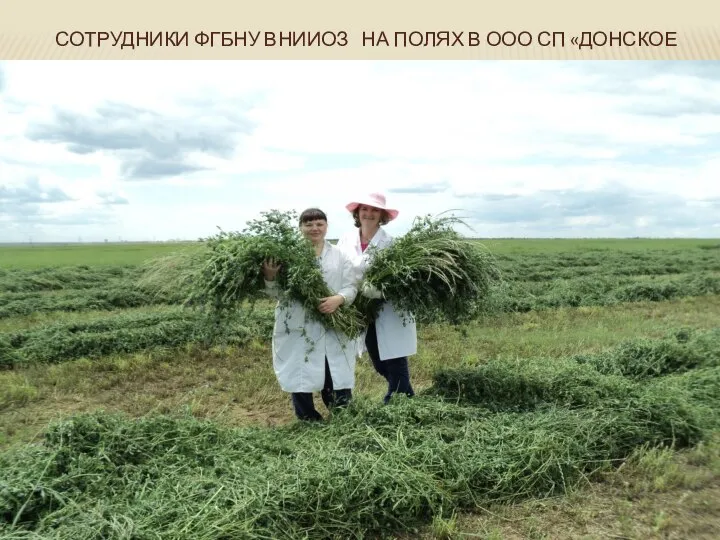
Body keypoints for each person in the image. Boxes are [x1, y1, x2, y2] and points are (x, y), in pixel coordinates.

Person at [261, 207, 359, 422]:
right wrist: (270, 277)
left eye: (319, 224)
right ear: (300, 227)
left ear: (326, 226)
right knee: (300, 370)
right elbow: (277, 294)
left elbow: (351, 287)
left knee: (334, 369)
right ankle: (307, 418)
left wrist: (338, 299)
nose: (314, 228)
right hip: (297, 322)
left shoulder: (341, 256)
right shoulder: (287, 256)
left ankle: (342, 415)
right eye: (308, 224)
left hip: (332, 322)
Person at [336, 192, 417, 404]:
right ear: (357, 213)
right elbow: (338, 268)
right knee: (378, 360)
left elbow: (402, 279)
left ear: (382, 215)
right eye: (364, 209)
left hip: (386, 308)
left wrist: (380, 290)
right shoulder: (346, 239)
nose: (369, 214)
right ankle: (404, 396)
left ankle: (397, 398)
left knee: (392, 357)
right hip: (359, 307)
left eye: (374, 210)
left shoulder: (391, 244)